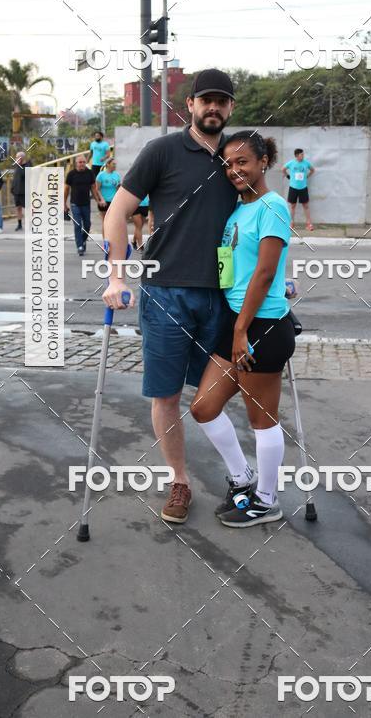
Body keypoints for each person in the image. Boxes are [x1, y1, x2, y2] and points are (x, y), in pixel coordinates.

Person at [102, 68, 238, 524]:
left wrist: (280, 274)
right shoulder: (162, 150)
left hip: (223, 296)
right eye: (206, 100)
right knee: (166, 396)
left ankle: (241, 479)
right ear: (192, 106)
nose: (213, 108)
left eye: (221, 101)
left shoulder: (238, 157)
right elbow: (117, 213)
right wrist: (117, 277)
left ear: (231, 108)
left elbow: (265, 219)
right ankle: (179, 481)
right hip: (165, 294)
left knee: (215, 396)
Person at [190, 131, 295, 527]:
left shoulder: (273, 205)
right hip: (235, 322)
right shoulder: (238, 210)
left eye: (242, 162)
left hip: (261, 328)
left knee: (261, 419)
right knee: (203, 408)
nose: (234, 170)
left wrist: (241, 331)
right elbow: (236, 268)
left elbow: (265, 272)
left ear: (263, 161)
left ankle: (267, 500)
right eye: (228, 164)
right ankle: (242, 477)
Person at [65, 154, 103, 255]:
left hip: (86, 204)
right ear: (76, 163)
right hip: (74, 204)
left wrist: (98, 200)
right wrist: (63, 203)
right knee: (77, 225)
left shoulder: (90, 173)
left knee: (87, 225)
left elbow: (93, 188)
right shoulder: (71, 174)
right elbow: (66, 189)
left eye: (83, 162)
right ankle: (80, 246)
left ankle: (83, 240)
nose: (82, 164)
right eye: (80, 162)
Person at [282, 148, 315, 230]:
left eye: (303, 154)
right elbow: (283, 169)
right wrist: (287, 176)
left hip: (303, 187)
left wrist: (307, 176)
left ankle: (309, 224)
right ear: (297, 155)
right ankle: (291, 222)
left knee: (306, 206)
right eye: (301, 154)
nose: (303, 156)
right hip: (293, 187)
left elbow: (312, 170)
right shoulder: (291, 163)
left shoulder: (306, 163)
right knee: (293, 206)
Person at [95, 156, 121, 237]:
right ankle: (105, 242)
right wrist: (102, 200)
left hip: (113, 202)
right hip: (104, 202)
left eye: (115, 164)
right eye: (113, 164)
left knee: (113, 222)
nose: (115, 166)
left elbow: (118, 189)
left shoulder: (117, 175)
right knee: (105, 221)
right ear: (108, 164)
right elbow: (97, 189)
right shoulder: (101, 175)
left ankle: (112, 240)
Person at [11, 151, 32, 231]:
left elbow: (25, 175)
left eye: (17, 157)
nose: (16, 159)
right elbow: (15, 177)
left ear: (22, 158)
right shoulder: (17, 166)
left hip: (24, 192)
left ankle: (30, 225)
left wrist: (19, 164)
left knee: (27, 209)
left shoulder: (27, 165)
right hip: (16, 191)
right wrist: (12, 188)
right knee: (18, 208)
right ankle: (19, 224)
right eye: (16, 157)